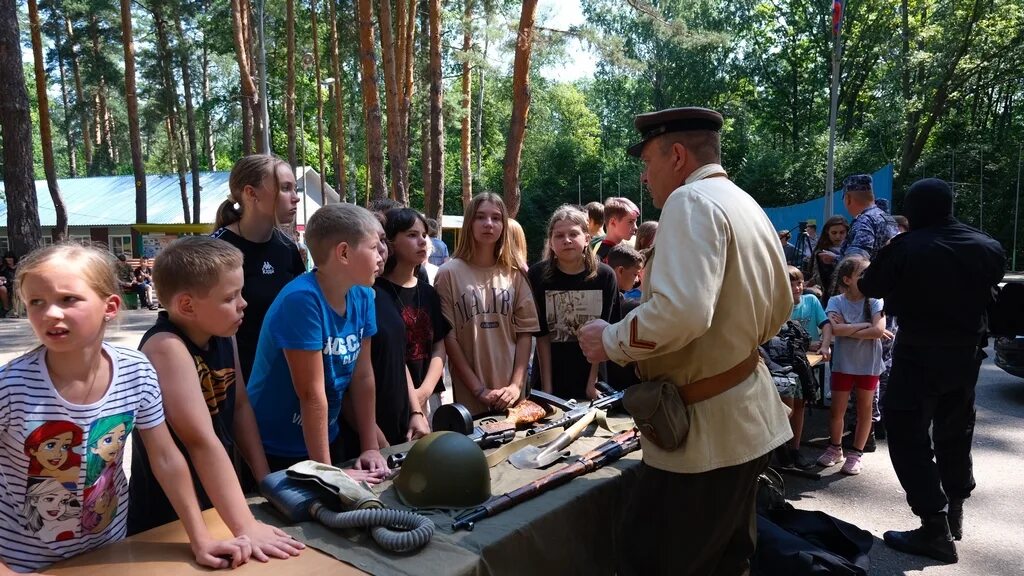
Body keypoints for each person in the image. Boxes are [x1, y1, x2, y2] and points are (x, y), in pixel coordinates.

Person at [578, 107, 792, 576]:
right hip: (743, 416)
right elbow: (781, 307)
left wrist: (610, 339)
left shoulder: (689, 202)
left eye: (648, 160)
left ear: (676, 155)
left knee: (654, 561)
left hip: (704, 437)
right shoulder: (744, 202)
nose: (644, 173)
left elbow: (683, 311)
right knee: (727, 560)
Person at [0, 244, 250, 573]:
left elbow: (166, 459)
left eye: (68, 299)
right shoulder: (10, 387)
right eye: (36, 302)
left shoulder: (136, 371)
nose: (50, 313)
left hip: (113, 551)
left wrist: (199, 537)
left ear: (111, 306)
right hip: (24, 562)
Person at [125, 237, 306, 563]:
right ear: (187, 305)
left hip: (219, 498)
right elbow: (201, 441)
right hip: (170, 515)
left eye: (241, 292)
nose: (243, 304)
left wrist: (266, 480)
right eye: (230, 297)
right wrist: (245, 524)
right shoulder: (165, 347)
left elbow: (239, 408)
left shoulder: (224, 334)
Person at [859, 178, 1005, 564]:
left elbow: (868, 283)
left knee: (906, 433)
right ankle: (955, 505)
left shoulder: (908, 247)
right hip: (966, 356)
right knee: (956, 430)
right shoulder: (986, 245)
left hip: (918, 355)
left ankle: (934, 527)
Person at [247, 203, 389, 475]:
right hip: (277, 445)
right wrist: (328, 475)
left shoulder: (363, 295)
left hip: (325, 437)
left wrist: (370, 446)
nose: (381, 255)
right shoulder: (302, 300)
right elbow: (311, 394)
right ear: (344, 253)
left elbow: (362, 377)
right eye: (373, 248)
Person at [435, 193, 540, 416]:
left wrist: (515, 386)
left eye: (496, 218)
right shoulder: (448, 274)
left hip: (513, 398)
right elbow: (449, 338)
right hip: (469, 399)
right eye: (480, 217)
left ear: (504, 224)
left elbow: (525, 333)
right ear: (469, 222)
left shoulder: (515, 275)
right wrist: (478, 389)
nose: (488, 224)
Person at [211, 154, 304, 384]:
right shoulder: (216, 250)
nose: (296, 198)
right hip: (235, 380)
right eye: (285, 188)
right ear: (251, 193)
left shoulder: (287, 248)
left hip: (284, 376)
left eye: (295, 189)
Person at [528, 206, 618, 401]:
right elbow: (542, 335)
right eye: (559, 235)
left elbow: (604, 332)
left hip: (591, 380)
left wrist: (591, 384)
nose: (567, 240)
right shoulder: (537, 276)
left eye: (573, 234)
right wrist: (547, 390)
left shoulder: (604, 276)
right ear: (551, 242)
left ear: (587, 238)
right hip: (548, 378)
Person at [816, 256, 885, 475]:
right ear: (847, 279)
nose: (868, 278)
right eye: (862, 274)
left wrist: (848, 327)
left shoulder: (876, 300)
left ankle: (856, 453)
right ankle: (835, 449)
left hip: (868, 364)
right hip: (843, 363)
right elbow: (834, 330)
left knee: (865, 410)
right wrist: (865, 325)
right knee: (837, 410)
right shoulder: (836, 301)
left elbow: (878, 331)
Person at [381, 209, 450, 419]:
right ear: (390, 242)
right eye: (412, 235)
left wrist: (426, 391)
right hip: (392, 398)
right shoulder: (375, 293)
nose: (422, 241)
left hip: (430, 396)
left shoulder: (428, 291)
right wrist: (413, 399)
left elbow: (439, 345)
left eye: (424, 235)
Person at [780, 266, 827, 469]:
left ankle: (795, 448)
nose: (796, 288)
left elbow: (826, 324)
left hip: (806, 364)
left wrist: (824, 344)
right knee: (785, 407)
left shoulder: (811, 301)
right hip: (785, 364)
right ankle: (782, 449)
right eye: (790, 284)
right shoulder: (780, 305)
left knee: (798, 406)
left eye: (798, 283)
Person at [838, 174, 900, 261]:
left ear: (848, 198)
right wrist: (835, 258)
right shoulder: (887, 217)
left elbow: (856, 262)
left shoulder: (864, 221)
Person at [809, 215, 849, 300]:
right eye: (834, 233)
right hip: (829, 296)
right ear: (827, 232)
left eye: (842, 232)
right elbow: (819, 278)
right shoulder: (822, 251)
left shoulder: (853, 249)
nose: (838, 236)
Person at [594, 197, 640, 262]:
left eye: (635, 222)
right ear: (613, 222)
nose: (635, 227)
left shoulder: (598, 249)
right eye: (630, 222)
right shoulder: (610, 256)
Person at [0, 251, 15, 317]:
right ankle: (6, 308)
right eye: (7, 259)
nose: (9, 261)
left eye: (10, 259)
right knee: (2, 288)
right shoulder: (3, 268)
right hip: (6, 285)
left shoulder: (18, 267)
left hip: (16, 284)